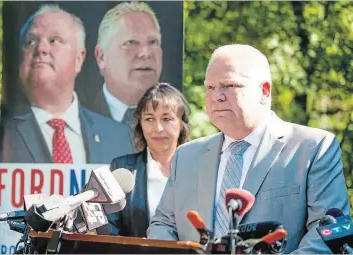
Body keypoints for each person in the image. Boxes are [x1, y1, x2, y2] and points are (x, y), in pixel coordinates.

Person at [147, 44, 350, 253]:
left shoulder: (313, 149)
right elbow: (164, 225)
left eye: (229, 85)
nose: (217, 96)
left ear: (264, 91)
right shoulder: (186, 156)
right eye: (210, 87)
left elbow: (327, 235)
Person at [0, 4, 134, 164]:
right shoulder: (3, 130)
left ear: (79, 58)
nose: (41, 48)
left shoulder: (118, 137)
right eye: (31, 41)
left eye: (54, 40)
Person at [96, 83, 190, 237]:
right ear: (140, 123)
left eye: (167, 118)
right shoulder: (122, 168)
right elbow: (110, 231)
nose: (158, 128)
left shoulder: (197, 167)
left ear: (181, 123)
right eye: (149, 118)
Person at [89, 1, 163, 151]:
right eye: (131, 42)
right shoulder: (76, 121)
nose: (146, 53)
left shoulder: (176, 119)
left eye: (153, 42)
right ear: (101, 56)